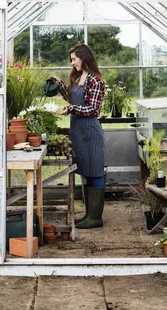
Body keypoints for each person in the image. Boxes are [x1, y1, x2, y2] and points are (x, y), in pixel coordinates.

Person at [51, 43, 105, 229]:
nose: (73, 63)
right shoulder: (79, 78)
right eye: (72, 60)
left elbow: (92, 108)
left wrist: (70, 109)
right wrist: (59, 83)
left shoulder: (95, 81)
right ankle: (89, 215)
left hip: (90, 132)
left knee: (95, 172)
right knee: (85, 171)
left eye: (75, 59)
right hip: (79, 132)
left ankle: (96, 218)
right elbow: (71, 99)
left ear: (84, 57)